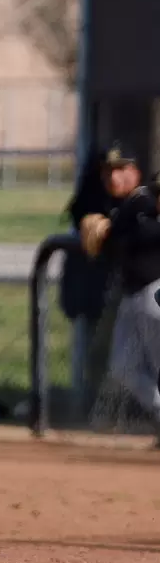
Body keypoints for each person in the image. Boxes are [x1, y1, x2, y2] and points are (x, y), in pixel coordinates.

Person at [83, 143, 160, 444]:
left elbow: (148, 233)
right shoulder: (123, 207)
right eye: (108, 172)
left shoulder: (145, 200)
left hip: (153, 291)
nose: (112, 177)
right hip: (132, 296)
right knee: (122, 367)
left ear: (135, 172)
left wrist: (112, 233)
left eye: (120, 170)